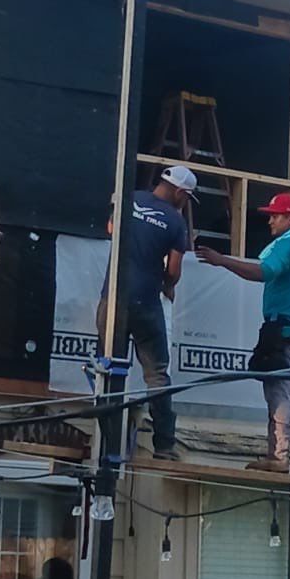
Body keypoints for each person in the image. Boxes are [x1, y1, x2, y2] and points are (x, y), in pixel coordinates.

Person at [196, 191, 290, 500]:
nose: (270, 221)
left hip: (284, 331)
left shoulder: (289, 243)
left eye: (275, 215)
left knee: (279, 391)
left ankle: (278, 456)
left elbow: (263, 272)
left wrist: (222, 260)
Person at [97, 165, 196, 461]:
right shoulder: (176, 222)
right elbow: (174, 271)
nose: (185, 202)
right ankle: (164, 446)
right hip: (145, 304)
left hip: (112, 299)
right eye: (187, 197)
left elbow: (111, 230)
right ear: (180, 192)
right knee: (157, 376)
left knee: (108, 370)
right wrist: (167, 286)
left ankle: (106, 444)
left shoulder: (130, 198)